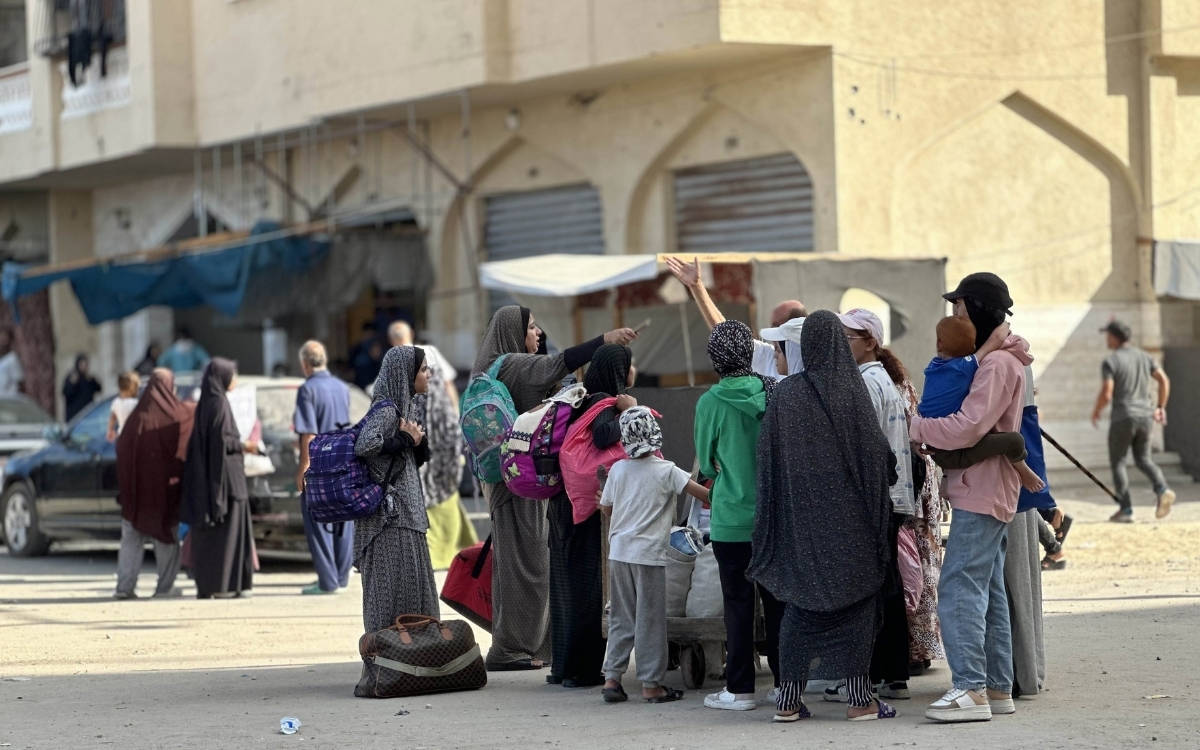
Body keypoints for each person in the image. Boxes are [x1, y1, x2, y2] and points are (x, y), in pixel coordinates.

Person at [748, 310, 898, 723]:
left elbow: (767, 458)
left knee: (800, 607)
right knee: (858, 606)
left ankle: (788, 701)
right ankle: (859, 700)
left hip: (802, 524)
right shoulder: (851, 392)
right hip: (851, 525)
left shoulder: (786, 394)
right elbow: (876, 455)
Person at [472, 305, 636, 671]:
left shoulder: (494, 366)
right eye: (531, 328)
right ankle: (511, 649)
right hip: (518, 479)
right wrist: (604, 341)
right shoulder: (511, 362)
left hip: (513, 474)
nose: (538, 334)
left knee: (529, 559)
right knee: (524, 562)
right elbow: (557, 364)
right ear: (513, 333)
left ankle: (531, 645)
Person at [909, 272, 1031, 722]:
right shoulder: (994, 360)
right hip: (984, 486)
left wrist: (916, 427)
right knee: (988, 588)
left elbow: (968, 425)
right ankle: (997, 688)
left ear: (976, 308)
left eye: (959, 306)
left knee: (959, 585)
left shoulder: (998, 365)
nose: (954, 315)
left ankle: (970, 690)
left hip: (982, 487)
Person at [694, 321, 784, 712]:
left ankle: (741, 689)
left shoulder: (710, 402)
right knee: (778, 603)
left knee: (738, 603)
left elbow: (707, 466)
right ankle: (786, 683)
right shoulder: (774, 391)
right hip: (774, 516)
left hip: (731, 519)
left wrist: (721, 471)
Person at [600, 406, 710, 704]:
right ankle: (651, 685)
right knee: (650, 619)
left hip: (619, 553)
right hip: (648, 555)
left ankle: (612, 678)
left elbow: (607, 508)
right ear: (654, 435)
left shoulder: (618, 470)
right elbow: (703, 495)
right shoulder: (667, 470)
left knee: (622, 616)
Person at [832, 308, 915, 703]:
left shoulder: (866, 383)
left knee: (871, 587)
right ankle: (893, 673)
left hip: (875, 497)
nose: (841, 344)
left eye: (848, 337)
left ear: (870, 342)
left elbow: (859, 447)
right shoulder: (879, 378)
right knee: (886, 584)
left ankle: (874, 671)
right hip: (889, 496)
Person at [548, 344, 636, 688]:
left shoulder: (579, 399)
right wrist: (629, 411)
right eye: (629, 366)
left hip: (564, 503)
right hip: (588, 508)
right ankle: (583, 670)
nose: (632, 373)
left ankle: (563, 666)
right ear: (618, 370)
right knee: (591, 588)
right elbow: (603, 436)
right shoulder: (605, 401)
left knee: (565, 585)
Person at [352, 346, 437, 652]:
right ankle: (390, 656)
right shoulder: (387, 409)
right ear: (406, 374)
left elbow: (410, 459)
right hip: (391, 521)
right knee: (391, 593)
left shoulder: (404, 409)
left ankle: (415, 656)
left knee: (411, 591)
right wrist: (404, 439)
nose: (428, 375)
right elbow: (366, 445)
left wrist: (416, 442)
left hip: (406, 518)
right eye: (423, 369)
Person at [918, 316, 1044, 491]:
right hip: (952, 453)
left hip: (933, 443)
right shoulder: (964, 367)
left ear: (939, 344)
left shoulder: (933, 367)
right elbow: (995, 341)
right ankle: (1023, 470)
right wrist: (1003, 323)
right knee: (1014, 441)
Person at [387, 320, 475, 569]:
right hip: (438, 436)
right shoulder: (430, 354)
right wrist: (457, 418)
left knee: (433, 494)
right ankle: (448, 550)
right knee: (443, 493)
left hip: (428, 437)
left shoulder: (400, 359)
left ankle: (441, 551)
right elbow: (448, 387)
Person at [114, 369, 194, 599]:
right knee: (166, 538)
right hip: (163, 493)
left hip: (135, 495)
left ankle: (124, 587)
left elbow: (121, 451)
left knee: (131, 538)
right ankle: (165, 587)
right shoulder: (177, 415)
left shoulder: (135, 419)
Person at [181, 358, 257, 599]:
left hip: (217, 482)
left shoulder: (208, 402)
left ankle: (215, 584)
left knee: (219, 537)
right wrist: (245, 445)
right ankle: (229, 584)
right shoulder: (219, 404)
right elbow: (222, 442)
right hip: (228, 481)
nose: (234, 380)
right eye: (231, 375)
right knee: (231, 534)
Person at [665, 256, 806, 380]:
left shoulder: (819, 373)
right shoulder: (767, 356)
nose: (772, 336)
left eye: (777, 327)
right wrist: (697, 287)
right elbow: (724, 333)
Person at [1091, 319, 1175, 522]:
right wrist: (1160, 407)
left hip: (1123, 417)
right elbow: (1164, 380)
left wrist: (1097, 410)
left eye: (1108, 336)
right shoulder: (1145, 357)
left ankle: (1126, 510)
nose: (1106, 339)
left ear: (1113, 337)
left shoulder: (1111, 361)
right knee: (1144, 459)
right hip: (1146, 416)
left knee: (1118, 462)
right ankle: (1162, 489)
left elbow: (1107, 392)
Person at [293, 340, 353, 595]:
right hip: (343, 461)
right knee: (342, 519)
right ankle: (341, 577)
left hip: (318, 463)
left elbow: (308, 433)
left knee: (317, 520)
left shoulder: (307, 390)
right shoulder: (342, 387)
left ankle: (327, 581)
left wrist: (303, 468)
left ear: (305, 364)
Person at [62, 354, 102, 421]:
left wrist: (92, 380)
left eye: (85, 365)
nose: (84, 367)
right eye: (82, 365)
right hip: (75, 415)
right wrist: (72, 383)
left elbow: (99, 389)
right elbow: (66, 393)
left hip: (88, 414)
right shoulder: (72, 377)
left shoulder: (89, 378)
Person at [106, 371, 141, 442]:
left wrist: (110, 431)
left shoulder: (116, 402)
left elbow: (112, 418)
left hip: (121, 437)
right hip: (133, 437)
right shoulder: (135, 403)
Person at [0, 328, 24, 396]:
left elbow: (20, 382)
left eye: (4, 340)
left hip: (9, 399)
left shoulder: (12, 359)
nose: (2, 343)